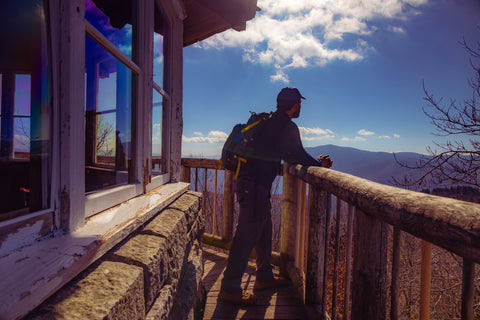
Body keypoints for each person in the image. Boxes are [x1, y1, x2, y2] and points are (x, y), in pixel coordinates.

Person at [219, 87, 333, 305]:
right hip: (254, 187)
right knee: (245, 236)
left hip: (249, 184)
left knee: (263, 229)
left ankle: (263, 276)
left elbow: (289, 154)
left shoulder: (269, 122)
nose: (300, 107)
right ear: (295, 104)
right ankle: (230, 287)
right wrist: (321, 164)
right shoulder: (286, 126)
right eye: (299, 103)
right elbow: (297, 155)